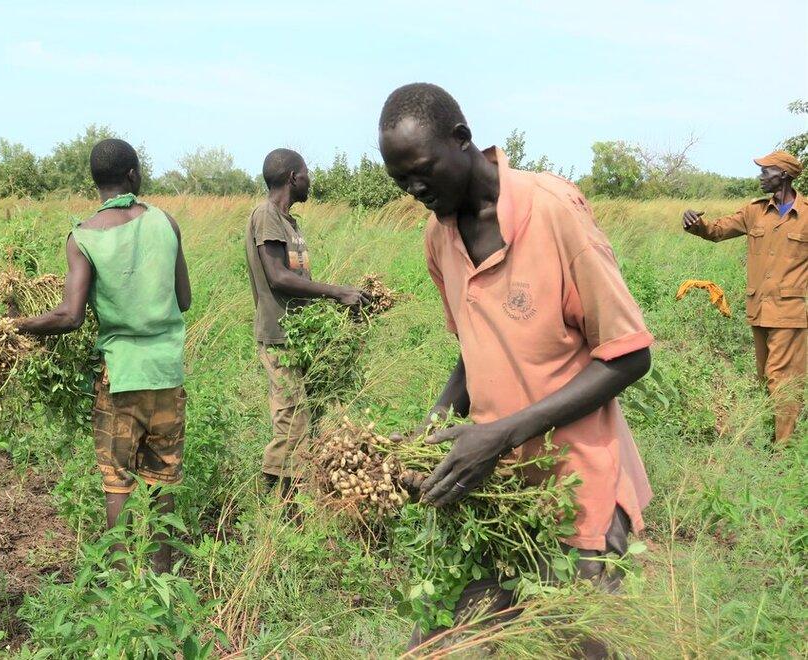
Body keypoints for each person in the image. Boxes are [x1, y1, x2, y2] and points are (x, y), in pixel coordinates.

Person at [377, 83, 654, 653]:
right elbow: (476, 345)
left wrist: (499, 435)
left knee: (574, 644)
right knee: (439, 643)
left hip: (577, 488)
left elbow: (628, 354)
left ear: (462, 139)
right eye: (400, 180)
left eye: (422, 171)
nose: (414, 190)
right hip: (497, 493)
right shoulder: (439, 236)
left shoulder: (552, 211)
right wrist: (436, 423)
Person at [13, 138, 191, 574]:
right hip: (167, 374)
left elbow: (70, 316)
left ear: (96, 181)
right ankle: (161, 578)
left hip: (121, 377)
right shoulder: (165, 222)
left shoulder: (83, 237)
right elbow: (184, 300)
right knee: (162, 480)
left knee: (118, 482)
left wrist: (16, 324)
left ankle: (121, 585)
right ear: (133, 174)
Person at [244, 148, 368, 500]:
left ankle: (285, 500)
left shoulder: (289, 223)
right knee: (292, 418)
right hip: (279, 336)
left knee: (300, 417)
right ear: (293, 177)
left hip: (297, 335)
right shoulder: (266, 215)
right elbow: (278, 276)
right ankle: (277, 505)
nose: (310, 180)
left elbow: (298, 282)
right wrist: (336, 292)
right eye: (307, 174)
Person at [682, 151, 806, 444]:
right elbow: (717, 230)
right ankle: (772, 440)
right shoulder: (754, 211)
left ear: (784, 175)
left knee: (781, 379)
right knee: (765, 379)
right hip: (759, 310)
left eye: (766, 171)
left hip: (790, 313)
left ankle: (783, 451)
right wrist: (695, 224)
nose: (761, 176)